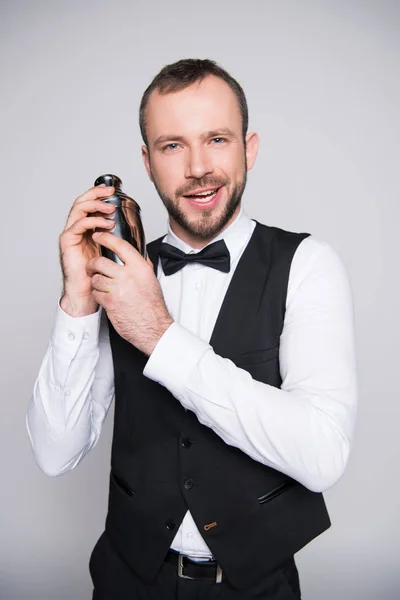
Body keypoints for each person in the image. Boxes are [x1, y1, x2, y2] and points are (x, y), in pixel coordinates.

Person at [26, 58, 357, 599]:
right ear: (148, 162)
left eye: (218, 139)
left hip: (255, 587)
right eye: (173, 145)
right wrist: (78, 300)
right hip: (127, 581)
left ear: (249, 149)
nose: (198, 167)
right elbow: (53, 452)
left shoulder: (309, 264)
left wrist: (159, 335)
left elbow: (322, 456)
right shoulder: (120, 272)